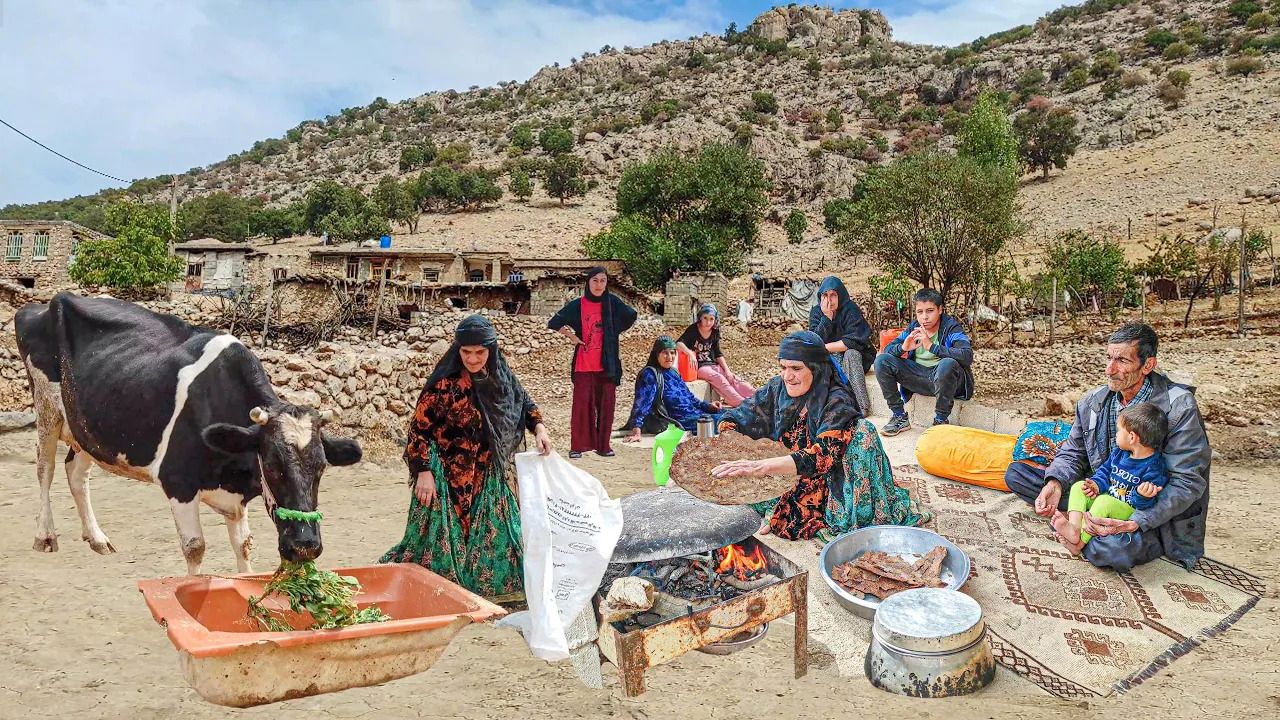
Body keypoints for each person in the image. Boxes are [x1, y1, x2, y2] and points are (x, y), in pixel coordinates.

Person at [1004, 322, 1211, 572]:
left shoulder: (1179, 408)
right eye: (1108, 358)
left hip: (1145, 508)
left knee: (1113, 550)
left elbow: (1187, 482)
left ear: (1147, 365)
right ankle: (1087, 524)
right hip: (1103, 490)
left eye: (1122, 361)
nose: (1110, 370)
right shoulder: (1094, 401)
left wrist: (1136, 521)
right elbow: (1074, 451)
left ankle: (1082, 530)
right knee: (1017, 474)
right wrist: (1055, 483)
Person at [380, 315, 552, 601]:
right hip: (446, 475)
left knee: (500, 538)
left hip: (486, 472)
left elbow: (524, 403)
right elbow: (418, 430)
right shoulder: (443, 384)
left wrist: (539, 428)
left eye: (480, 352)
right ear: (457, 350)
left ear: (491, 351)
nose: (473, 359)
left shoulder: (500, 377)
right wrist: (423, 471)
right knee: (438, 544)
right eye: (466, 352)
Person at [710, 331, 929, 541]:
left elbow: (821, 457)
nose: (788, 376)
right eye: (783, 367)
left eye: (796, 368)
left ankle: (848, 506)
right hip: (792, 464)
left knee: (863, 433)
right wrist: (734, 443)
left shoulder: (836, 399)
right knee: (731, 482)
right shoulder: (778, 388)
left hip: (831, 472)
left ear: (816, 368)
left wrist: (761, 466)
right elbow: (737, 417)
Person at [1053, 402, 1169, 551]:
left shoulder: (1155, 467)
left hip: (1126, 509)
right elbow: (1105, 471)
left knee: (1104, 501)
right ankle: (1074, 529)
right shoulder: (1120, 453)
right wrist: (1095, 484)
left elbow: (1146, 506)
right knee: (1078, 487)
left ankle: (1079, 543)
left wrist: (1143, 495)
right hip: (1108, 497)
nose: (1116, 435)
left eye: (1119, 431)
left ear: (1132, 437)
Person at [548, 267, 638, 458]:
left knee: (606, 405)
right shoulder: (578, 305)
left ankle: (603, 446)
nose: (599, 285)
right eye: (595, 281)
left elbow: (631, 315)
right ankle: (578, 447)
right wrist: (572, 336)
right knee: (581, 406)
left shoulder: (612, 303)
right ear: (588, 283)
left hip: (608, 364)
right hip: (583, 364)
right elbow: (554, 322)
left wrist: (613, 331)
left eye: (603, 281)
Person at [874, 288, 974, 436]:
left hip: (947, 381)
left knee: (947, 364)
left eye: (930, 311)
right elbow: (887, 350)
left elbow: (966, 355)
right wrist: (903, 347)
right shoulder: (914, 328)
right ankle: (899, 416)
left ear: (940, 310)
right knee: (882, 361)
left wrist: (931, 347)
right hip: (921, 378)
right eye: (920, 312)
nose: (924, 317)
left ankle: (940, 421)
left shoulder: (950, 327)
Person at [621, 335, 724, 440]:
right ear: (657, 354)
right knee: (727, 420)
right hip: (677, 421)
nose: (670, 357)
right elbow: (642, 404)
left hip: (694, 413)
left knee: (729, 414)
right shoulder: (650, 374)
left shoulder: (674, 372)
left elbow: (690, 398)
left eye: (672, 353)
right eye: (665, 353)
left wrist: (708, 406)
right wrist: (636, 430)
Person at [809, 275, 874, 415]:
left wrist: (824, 348)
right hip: (833, 357)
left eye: (833, 295)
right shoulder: (816, 312)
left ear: (841, 295)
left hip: (859, 356)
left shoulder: (850, 309)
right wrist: (826, 318)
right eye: (825, 295)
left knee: (851, 354)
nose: (828, 300)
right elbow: (815, 339)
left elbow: (854, 340)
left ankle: (862, 406)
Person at [677, 303, 754, 407]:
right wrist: (690, 353)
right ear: (700, 317)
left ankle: (757, 397)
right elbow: (678, 343)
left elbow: (718, 353)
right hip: (700, 367)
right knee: (719, 379)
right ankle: (740, 402)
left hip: (712, 364)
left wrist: (727, 371)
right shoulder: (693, 330)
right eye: (705, 318)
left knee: (733, 379)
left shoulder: (715, 331)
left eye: (711, 319)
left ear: (715, 319)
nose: (708, 322)